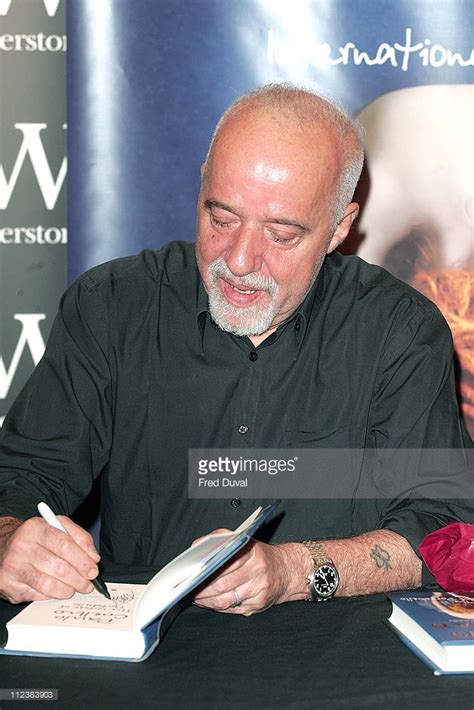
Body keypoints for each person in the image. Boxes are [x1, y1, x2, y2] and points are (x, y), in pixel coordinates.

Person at [0, 84, 471, 613]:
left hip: (334, 666)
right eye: (221, 220)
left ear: (340, 227)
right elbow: (20, 477)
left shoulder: (398, 331)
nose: (241, 260)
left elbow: (442, 529)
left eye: (281, 235)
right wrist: (10, 542)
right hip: (141, 665)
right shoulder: (112, 306)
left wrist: (292, 570)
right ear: (202, 187)